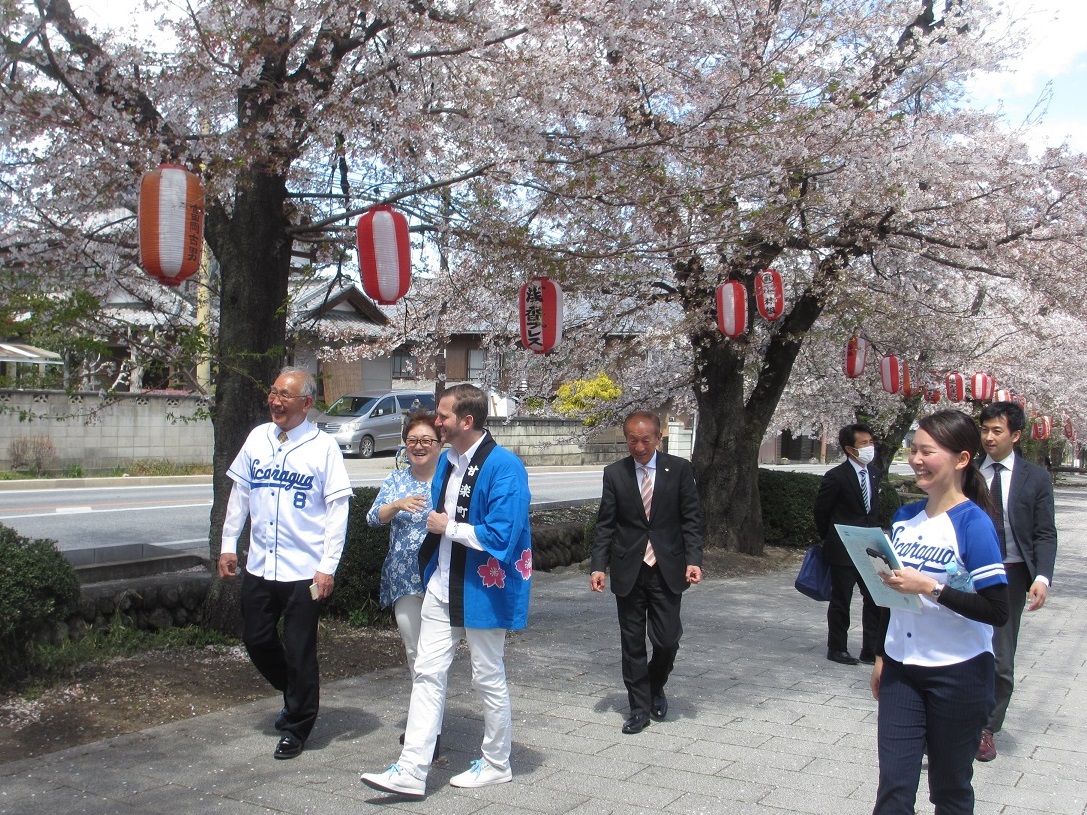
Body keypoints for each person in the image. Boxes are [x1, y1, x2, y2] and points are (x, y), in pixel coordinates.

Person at [360, 383, 532, 798]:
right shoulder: (448, 461)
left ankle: (496, 762)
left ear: (466, 421)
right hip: (440, 584)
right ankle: (411, 769)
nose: (436, 423)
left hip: (481, 586)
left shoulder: (505, 466)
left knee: (487, 675)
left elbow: (504, 534)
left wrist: (448, 527)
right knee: (427, 672)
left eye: (443, 417)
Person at [871, 410, 1009, 815]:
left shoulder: (974, 524)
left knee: (949, 789)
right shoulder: (903, 519)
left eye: (927, 452)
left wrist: (930, 587)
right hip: (901, 670)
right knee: (893, 790)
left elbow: (997, 609)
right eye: (913, 450)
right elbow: (891, 595)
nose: (916, 459)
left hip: (959, 672)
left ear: (961, 459)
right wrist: (881, 654)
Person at [217, 367, 353, 760]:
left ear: (307, 403)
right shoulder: (258, 438)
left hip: (303, 571)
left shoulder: (322, 447)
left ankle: (297, 725)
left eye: (284, 396)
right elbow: (241, 493)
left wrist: (328, 566)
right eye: (273, 393)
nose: (275, 401)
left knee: (299, 650)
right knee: (256, 639)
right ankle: (295, 694)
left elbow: (337, 509)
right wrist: (229, 545)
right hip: (260, 564)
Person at [590, 410, 703, 735]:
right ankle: (638, 708)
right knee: (632, 643)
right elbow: (606, 524)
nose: (639, 446)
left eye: (645, 439)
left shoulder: (679, 470)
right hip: (629, 568)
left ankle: (655, 685)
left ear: (658, 438)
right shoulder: (615, 473)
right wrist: (599, 565)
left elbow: (691, 519)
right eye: (632, 440)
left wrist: (694, 559)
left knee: (667, 640)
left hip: (668, 567)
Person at [975, 401, 1057, 762]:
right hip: (966, 573)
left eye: (997, 431)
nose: (989, 437)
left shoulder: (1035, 477)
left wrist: (1041, 576)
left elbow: (1045, 533)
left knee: (1000, 659)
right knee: (961, 650)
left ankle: (986, 729)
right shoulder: (969, 470)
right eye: (985, 430)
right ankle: (953, 724)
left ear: (1016, 435)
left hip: (1010, 575)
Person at [366, 411, 443, 757]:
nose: (419, 446)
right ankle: (425, 726)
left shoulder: (449, 479)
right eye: (412, 440)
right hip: (403, 576)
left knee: (435, 654)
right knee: (414, 650)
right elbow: (372, 517)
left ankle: (430, 726)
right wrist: (397, 504)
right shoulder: (397, 480)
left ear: (440, 444)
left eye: (427, 440)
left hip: (440, 576)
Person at [813, 423, 882, 665]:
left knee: (875, 598)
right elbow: (821, 512)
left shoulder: (874, 473)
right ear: (850, 449)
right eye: (864, 444)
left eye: (871, 442)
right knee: (841, 599)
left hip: (870, 546)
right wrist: (831, 538)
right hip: (843, 547)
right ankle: (837, 648)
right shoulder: (837, 476)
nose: (870, 447)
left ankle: (870, 648)